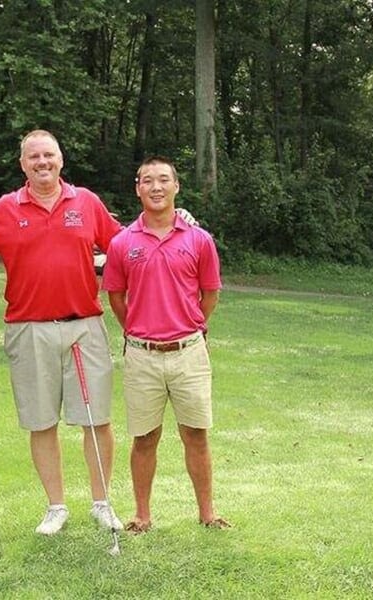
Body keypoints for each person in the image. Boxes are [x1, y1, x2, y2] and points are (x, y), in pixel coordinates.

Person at [0, 130, 124, 535]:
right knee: (41, 422)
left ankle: (102, 502)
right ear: (22, 164)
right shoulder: (4, 209)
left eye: (49, 155)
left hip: (84, 328)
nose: (42, 162)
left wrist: (171, 221)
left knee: (97, 419)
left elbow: (124, 242)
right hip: (29, 329)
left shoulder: (86, 202)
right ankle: (55, 507)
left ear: (61, 159)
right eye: (34, 156)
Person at [101, 156, 232, 533]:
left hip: (189, 353)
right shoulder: (123, 242)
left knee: (196, 435)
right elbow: (117, 298)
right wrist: (140, 331)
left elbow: (210, 294)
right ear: (137, 188)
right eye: (147, 181)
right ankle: (142, 515)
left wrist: (189, 327)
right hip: (142, 357)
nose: (156, 187)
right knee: (144, 438)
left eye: (163, 180)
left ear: (176, 187)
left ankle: (207, 513)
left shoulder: (199, 239)